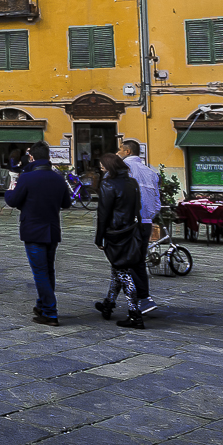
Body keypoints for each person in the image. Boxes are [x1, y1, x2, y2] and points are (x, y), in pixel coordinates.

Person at [5, 144, 73, 326]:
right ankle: (42, 304)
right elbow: (66, 203)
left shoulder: (27, 178)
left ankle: (50, 312)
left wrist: (9, 190)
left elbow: (12, 200)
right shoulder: (58, 178)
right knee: (49, 270)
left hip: (33, 230)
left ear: (32, 158)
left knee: (40, 273)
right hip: (52, 229)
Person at [94, 153, 148, 329]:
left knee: (123, 273)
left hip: (115, 232)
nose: (100, 167)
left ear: (109, 167)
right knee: (118, 269)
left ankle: (134, 314)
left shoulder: (107, 184)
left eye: (102, 165)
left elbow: (103, 214)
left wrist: (99, 237)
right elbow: (137, 207)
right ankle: (108, 304)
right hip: (131, 230)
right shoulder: (132, 183)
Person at [120, 140, 162, 316]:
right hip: (146, 222)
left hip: (129, 223)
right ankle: (135, 299)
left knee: (127, 263)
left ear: (127, 151)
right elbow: (157, 203)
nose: (118, 152)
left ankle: (141, 300)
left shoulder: (123, 170)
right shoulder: (151, 173)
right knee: (138, 261)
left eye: (120, 149)